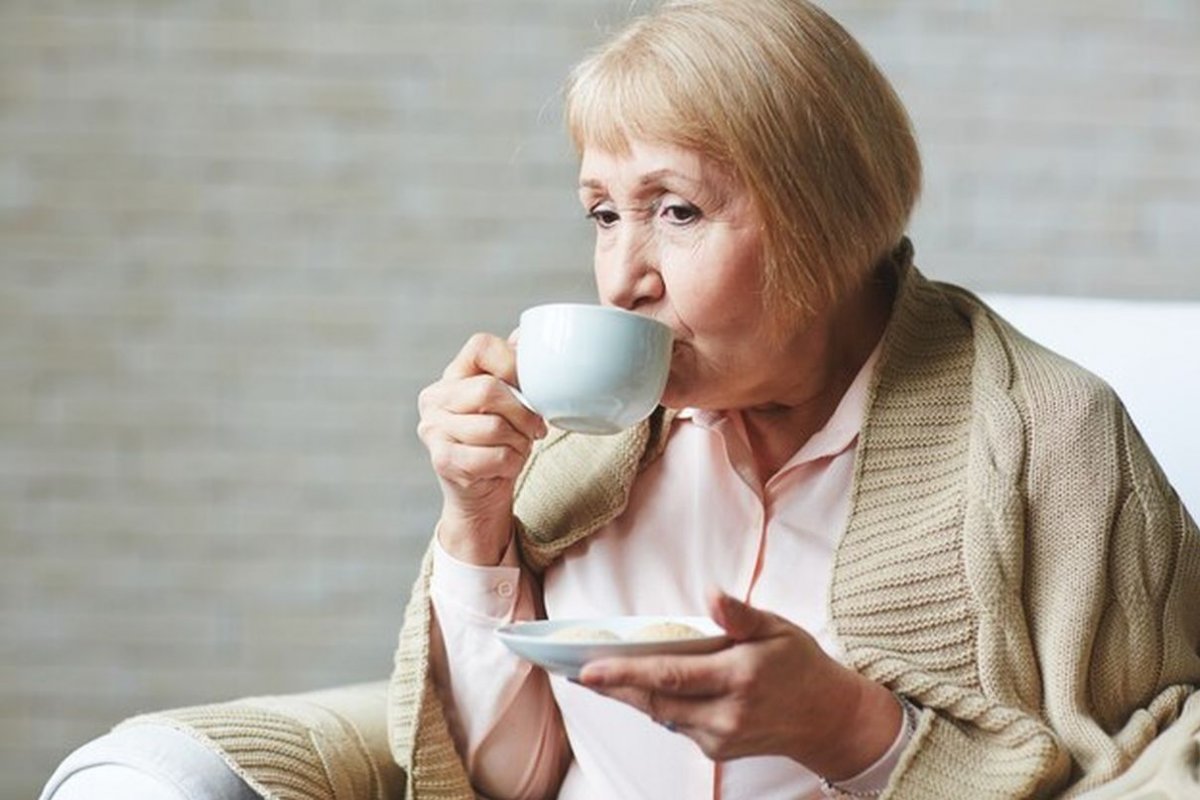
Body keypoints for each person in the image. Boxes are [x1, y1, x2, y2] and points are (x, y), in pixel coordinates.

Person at [389, 1, 1200, 798]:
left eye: (677, 211)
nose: (622, 280)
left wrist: (851, 732)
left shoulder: (1056, 439)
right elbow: (506, 780)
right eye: (604, 214)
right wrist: (477, 520)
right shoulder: (577, 451)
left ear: (829, 221)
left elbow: (1148, 770)